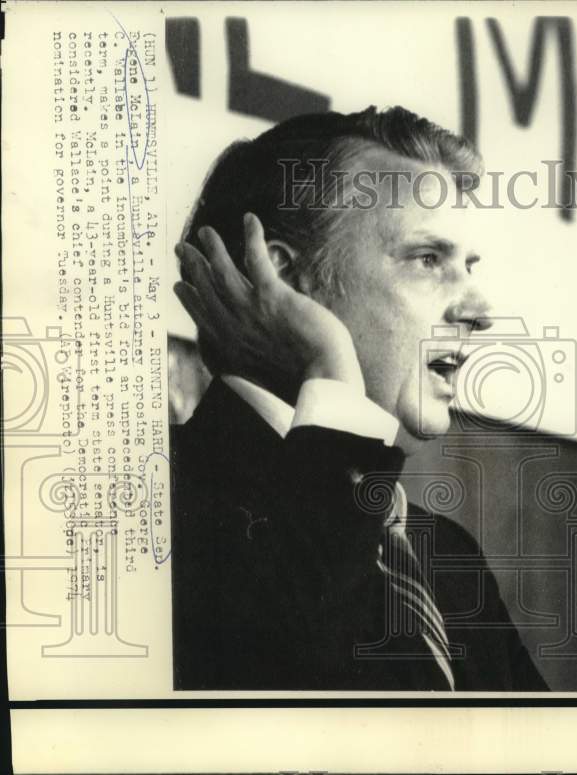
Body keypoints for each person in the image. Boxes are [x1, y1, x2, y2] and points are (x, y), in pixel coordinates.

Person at [170, 106, 548, 691]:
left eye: (467, 266)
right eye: (428, 260)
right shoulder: (157, 504)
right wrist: (330, 366)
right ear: (284, 281)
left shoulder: (445, 554)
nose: (478, 310)